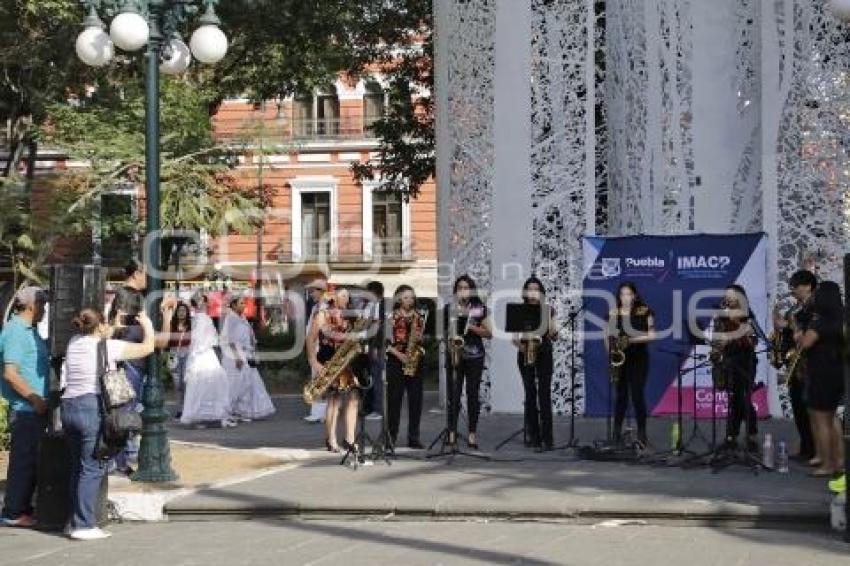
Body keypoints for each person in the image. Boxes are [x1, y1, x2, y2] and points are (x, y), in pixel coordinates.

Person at [59, 308, 155, 540]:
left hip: (68, 406)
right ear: (100, 326)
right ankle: (84, 525)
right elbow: (147, 347)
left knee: (78, 467)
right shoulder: (107, 347)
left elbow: (101, 333)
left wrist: (113, 324)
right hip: (90, 408)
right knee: (92, 467)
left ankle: (73, 521)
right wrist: (148, 326)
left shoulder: (74, 342)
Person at [0, 286, 49, 528]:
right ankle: (13, 511)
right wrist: (34, 398)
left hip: (33, 410)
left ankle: (22, 508)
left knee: (31, 461)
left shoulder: (31, 331)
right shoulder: (16, 331)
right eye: (43, 304)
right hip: (25, 409)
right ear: (31, 305)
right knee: (23, 461)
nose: (45, 308)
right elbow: (10, 373)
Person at [797, 280, 845, 477]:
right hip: (839, 370)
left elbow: (805, 343)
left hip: (821, 373)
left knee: (822, 419)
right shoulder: (843, 315)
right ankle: (839, 461)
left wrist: (798, 332)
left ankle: (827, 464)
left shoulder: (820, 320)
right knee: (834, 420)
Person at [306, 287, 362, 452]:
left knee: (353, 399)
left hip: (346, 361)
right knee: (334, 401)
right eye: (341, 295)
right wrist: (313, 361)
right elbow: (310, 338)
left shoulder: (350, 316)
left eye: (347, 296)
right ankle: (331, 440)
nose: (345, 298)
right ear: (333, 297)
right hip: (328, 360)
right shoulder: (323, 315)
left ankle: (350, 439)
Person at [107, 260, 148, 474]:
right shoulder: (125, 294)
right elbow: (119, 325)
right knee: (124, 411)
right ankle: (118, 460)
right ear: (136, 274)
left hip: (133, 359)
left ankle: (122, 458)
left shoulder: (134, 295)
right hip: (128, 361)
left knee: (128, 410)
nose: (147, 278)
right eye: (145, 274)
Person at [605, 281, 656, 448]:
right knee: (620, 397)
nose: (625, 297)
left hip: (639, 358)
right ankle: (616, 433)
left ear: (634, 295)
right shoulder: (614, 313)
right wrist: (611, 353)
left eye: (628, 294)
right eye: (622, 294)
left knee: (637, 395)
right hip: (620, 359)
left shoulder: (644, 311)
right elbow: (606, 336)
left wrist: (631, 340)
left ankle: (642, 433)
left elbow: (652, 335)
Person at [512, 277, 559, 452]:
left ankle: (548, 439)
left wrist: (554, 332)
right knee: (530, 395)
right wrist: (525, 349)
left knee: (544, 395)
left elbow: (554, 333)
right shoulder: (519, 310)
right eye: (530, 289)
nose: (533, 292)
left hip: (544, 353)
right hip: (526, 353)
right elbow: (514, 339)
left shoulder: (549, 310)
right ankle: (535, 437)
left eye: (536, 289)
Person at [445, 275, 492, 450]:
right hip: (455, 356)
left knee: (472, 395)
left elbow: (490, 333)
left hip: (475, 357)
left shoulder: (479, 308)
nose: (463, 290)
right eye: (459, 288)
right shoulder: (449, 308)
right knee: (454, 396)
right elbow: (444, 333)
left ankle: (472, 433)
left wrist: (471, 327)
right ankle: (451, 432)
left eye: (466, 288)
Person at [713, 284, 758, 452]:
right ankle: (731, 437)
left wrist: (731, 337)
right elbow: (717, 338)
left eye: (732, 296)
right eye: (727, 296)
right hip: (728, 361)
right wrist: (717, 347)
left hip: (746, 361)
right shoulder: (721, 315)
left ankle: (750, 435)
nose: (728, 298)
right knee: (734, 399)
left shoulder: (747, 315)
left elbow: (753, 341)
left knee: (744, 399)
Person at [180, 293, 236, 428]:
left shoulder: (198, 319)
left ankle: (206, 415)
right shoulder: (203, 319)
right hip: (204, 353)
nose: (208, 304)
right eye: (206, 302)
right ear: (201, 304)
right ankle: (205, 415)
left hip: (204, 353)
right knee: (208, 384)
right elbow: (200, 340)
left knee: (207, 384)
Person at [221, 295, 275, 421]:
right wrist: (237, 357)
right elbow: (230, 340)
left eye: (244, 303)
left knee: (247, 384)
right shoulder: (230, 318)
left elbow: (250, 338)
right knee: (235, 385)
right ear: (233, 305)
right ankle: (229, 411)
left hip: (246, 354)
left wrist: (254, 352)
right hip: (235, 356)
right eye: (241, 303)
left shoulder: (243, 318)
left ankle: (242, 410)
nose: (243, 305)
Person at [782, 270, 817, 461]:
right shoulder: (797, 310)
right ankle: (806, 446)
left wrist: (796, 330)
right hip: (796, 365)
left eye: (795, 286)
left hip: (811, 366)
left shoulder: (817, 308)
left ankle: (815, 450)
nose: (792, 290)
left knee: (810, 410)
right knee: (798, 408)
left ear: (808, 286)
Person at [386, 285, 426, 449]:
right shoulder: (392, 317)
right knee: (394, 401)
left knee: (416, 401)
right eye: (406, 297)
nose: (410, 300)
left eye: (412, 297)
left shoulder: (419, 317)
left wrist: (419, 339)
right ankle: (391, 438)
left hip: (414, 360)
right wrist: (400, 355)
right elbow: (386, 343)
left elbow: (421, 340)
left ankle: (413, 437)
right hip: (396, 360)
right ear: (398, 299)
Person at [303, 278, 328, 423]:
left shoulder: (324, 307)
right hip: (314, 346)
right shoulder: (315, 307)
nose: (311, 293)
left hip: (320, 347)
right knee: (316, 378)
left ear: (321, 292)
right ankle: (318, 411)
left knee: (321, 379)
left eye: (313, 291)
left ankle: (321, 412)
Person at [164, 302, 192, 420]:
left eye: (184, 311)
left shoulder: (191, 326)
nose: (181, 313)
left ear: (187, 313)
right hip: (173, 354)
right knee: (177, 384)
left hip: (187, 353)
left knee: (185, 382)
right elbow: (167, 340)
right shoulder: (172, 324)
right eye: (179, 310)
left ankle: (186, 408)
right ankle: (180, 408)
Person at [363, 280, 386, 421]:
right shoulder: (373, 305)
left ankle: (378, 409)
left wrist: (376, 347)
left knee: (377, 378)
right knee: (372, 377)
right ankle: (371, 407)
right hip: (372, 345)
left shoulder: (379, 306)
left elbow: (378, 329)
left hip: (377, 346)